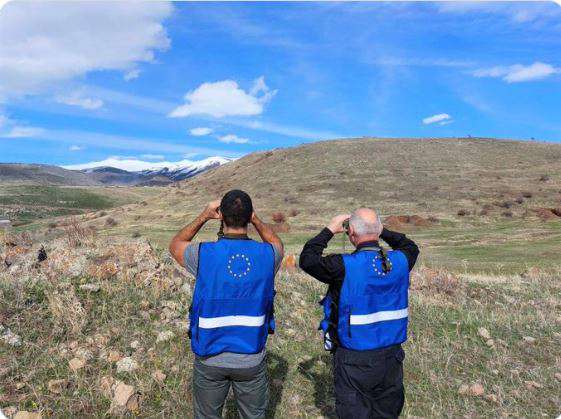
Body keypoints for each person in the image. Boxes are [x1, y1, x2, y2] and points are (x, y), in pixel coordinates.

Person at [169, 190, 284, 419]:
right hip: (251, 357)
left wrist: (204, 215)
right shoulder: (268, 255)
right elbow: (276, 242)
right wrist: (256, 219)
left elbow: (176, 244)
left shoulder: (203, 254)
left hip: (209, 356)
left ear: (221, 216)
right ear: (249, 215)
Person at [299, 208, 419, 419]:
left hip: (354, 359)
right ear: (378, 229)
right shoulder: (400, 261)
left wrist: (329, 229)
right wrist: (381, 231)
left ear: (351, 231)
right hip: (392, 357)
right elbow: (410, 246)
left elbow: (308, 259)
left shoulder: (343, 266)